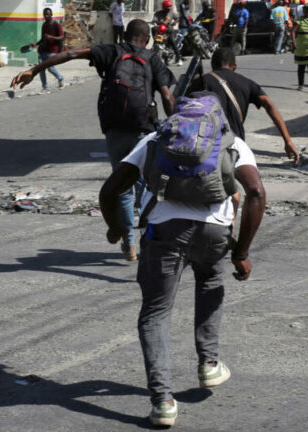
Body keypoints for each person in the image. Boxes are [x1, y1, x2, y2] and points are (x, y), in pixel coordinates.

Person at [98, 97, 266, 428]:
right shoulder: (231, 142)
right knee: (209, 282)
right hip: (214, 230)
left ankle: (162, 402)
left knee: (156, 313)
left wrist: (118, 228)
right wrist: (242, 252)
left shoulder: (156, 139)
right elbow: (256, 193)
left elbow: (110, 190)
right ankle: (209, 364)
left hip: (163, 231)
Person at [11, 20, 176, 260]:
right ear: (148, 39)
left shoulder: (111, 51)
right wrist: (176, 129)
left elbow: (71, 53)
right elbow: (167, 96)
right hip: (143, 129)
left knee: (121, 185)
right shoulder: (153, 59)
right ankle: (149, 240)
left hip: (115, 130)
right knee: (146, 186)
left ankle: (129, 243)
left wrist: (35, 71)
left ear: (125, 36)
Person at [189, 46, 301, 164]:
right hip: (235, 145)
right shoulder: (247, 83)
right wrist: (288, 141)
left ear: (212, 65)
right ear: (234, 66)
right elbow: (269, 105)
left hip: (206, 144)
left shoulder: (202, 81)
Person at [36, 7, 66, 90]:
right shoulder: (44, 25)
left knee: (50, 68)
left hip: (53, 51)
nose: (46, 15)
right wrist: (36, 44)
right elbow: (43, 39)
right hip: (44, 51)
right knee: (41, 69)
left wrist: (51, 37)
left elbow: (62, 37)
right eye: (45, 14)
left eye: (48, 14)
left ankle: (60, 78)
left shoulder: (56, 25)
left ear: (51, 14)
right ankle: (45, 87)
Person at [153, 0, 183, 65]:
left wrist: (175, 21)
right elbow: (154, 20)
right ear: (163, 7)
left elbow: (178, 18)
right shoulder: (158, 13)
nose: (168, 9)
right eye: (167, 8)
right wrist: (159, 22)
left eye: (169, 8)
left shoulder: (171, 12)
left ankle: (179, 59)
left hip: (169, 30)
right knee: (155, 41)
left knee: (172, 42)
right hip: (161, 30)